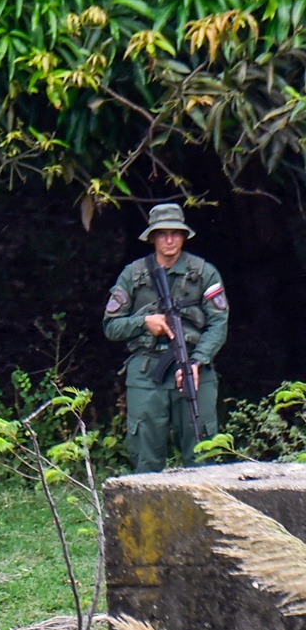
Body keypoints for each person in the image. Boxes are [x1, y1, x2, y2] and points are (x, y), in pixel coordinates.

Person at [103, 202, 227, 473]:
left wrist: (197, 361)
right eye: (162, 233)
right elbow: (111, 326)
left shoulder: (204, 273)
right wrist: (145, 323)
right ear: (152, 237)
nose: (169, 240)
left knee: (203, 455)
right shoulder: (133, 275)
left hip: (194, 370)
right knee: (146, 459)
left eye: (175, 233)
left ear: (183, 236)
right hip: (147, 372)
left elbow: (219, 324)